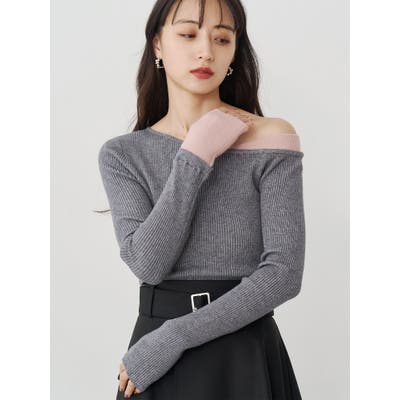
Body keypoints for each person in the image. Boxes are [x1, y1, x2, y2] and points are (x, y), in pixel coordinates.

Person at [98, 0, 306, 398]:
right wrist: (195, 156)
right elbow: (148, 265)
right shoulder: (123, 154)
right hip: (155, 355)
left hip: (240, 351)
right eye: (188, 34)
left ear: (234, 51)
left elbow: (283, 274)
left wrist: (175, 337)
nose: (206, 51)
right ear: (158, 44)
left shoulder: (270, 137)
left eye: (222, 38)